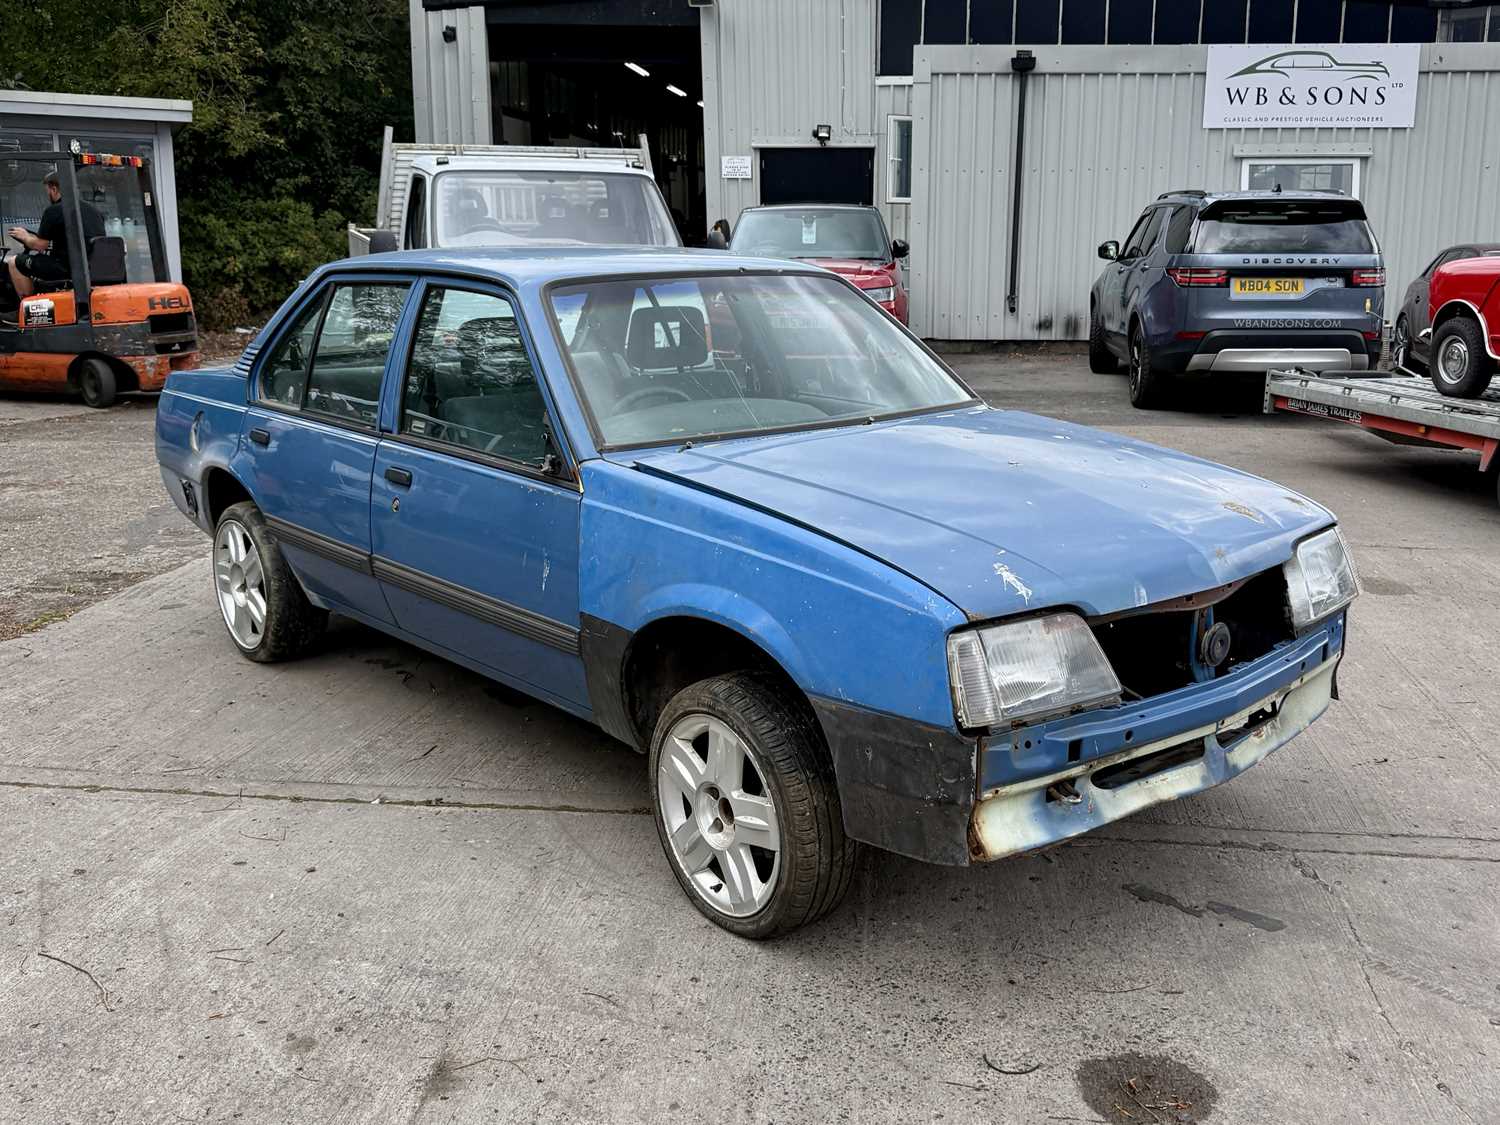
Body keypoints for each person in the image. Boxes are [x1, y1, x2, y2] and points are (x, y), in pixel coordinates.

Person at [5, 169, 105, 304]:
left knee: (14, 262)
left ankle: (28, 309)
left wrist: (25, 237)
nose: (48, 194)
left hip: (64, 268)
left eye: (48, 191)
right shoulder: (94, 211)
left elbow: (40, 246)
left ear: (54, 189)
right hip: (92, 269)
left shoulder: (54, 210)